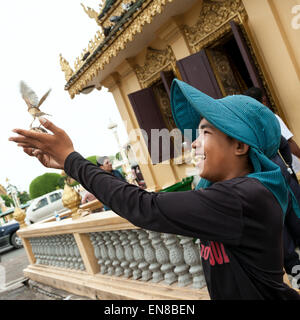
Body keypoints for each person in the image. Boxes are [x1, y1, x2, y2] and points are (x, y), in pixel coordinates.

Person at [9, 79, 300, 300]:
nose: (194, 143)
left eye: (206, 133)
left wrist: (72, 160)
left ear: (240, 145)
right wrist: (68, 165)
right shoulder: (228, 192)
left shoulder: (243, 197)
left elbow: (145, 208)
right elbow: (143, 201)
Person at [244, 87, 300, 279]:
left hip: (263, 191)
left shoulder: (240, 133)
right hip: (283, 181)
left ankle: (297, 275)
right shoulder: (269, 121)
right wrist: (288, 168)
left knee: (282, 236)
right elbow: (286, 146)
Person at [243, 87, 300, 175]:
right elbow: (289, 143)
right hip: (292, 168)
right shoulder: (271, 118)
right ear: (263, 100)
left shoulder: (249, 126)